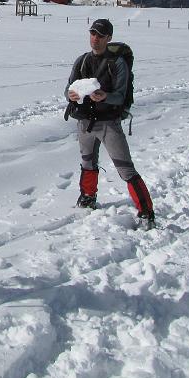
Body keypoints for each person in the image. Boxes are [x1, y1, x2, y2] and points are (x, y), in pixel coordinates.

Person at [65, 19, 155, 227]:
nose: (95, 38)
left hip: (108, 123)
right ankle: (87, 197)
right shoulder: (82, 61)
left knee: (125, 168)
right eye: (93, 33)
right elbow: (68, 88)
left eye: (100, 35)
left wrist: (105, 96)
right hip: (85, 122)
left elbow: (121, 96)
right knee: (87, 162)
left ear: (109, 38)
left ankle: (146, 212)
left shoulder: (118, 63)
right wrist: (70, 95)